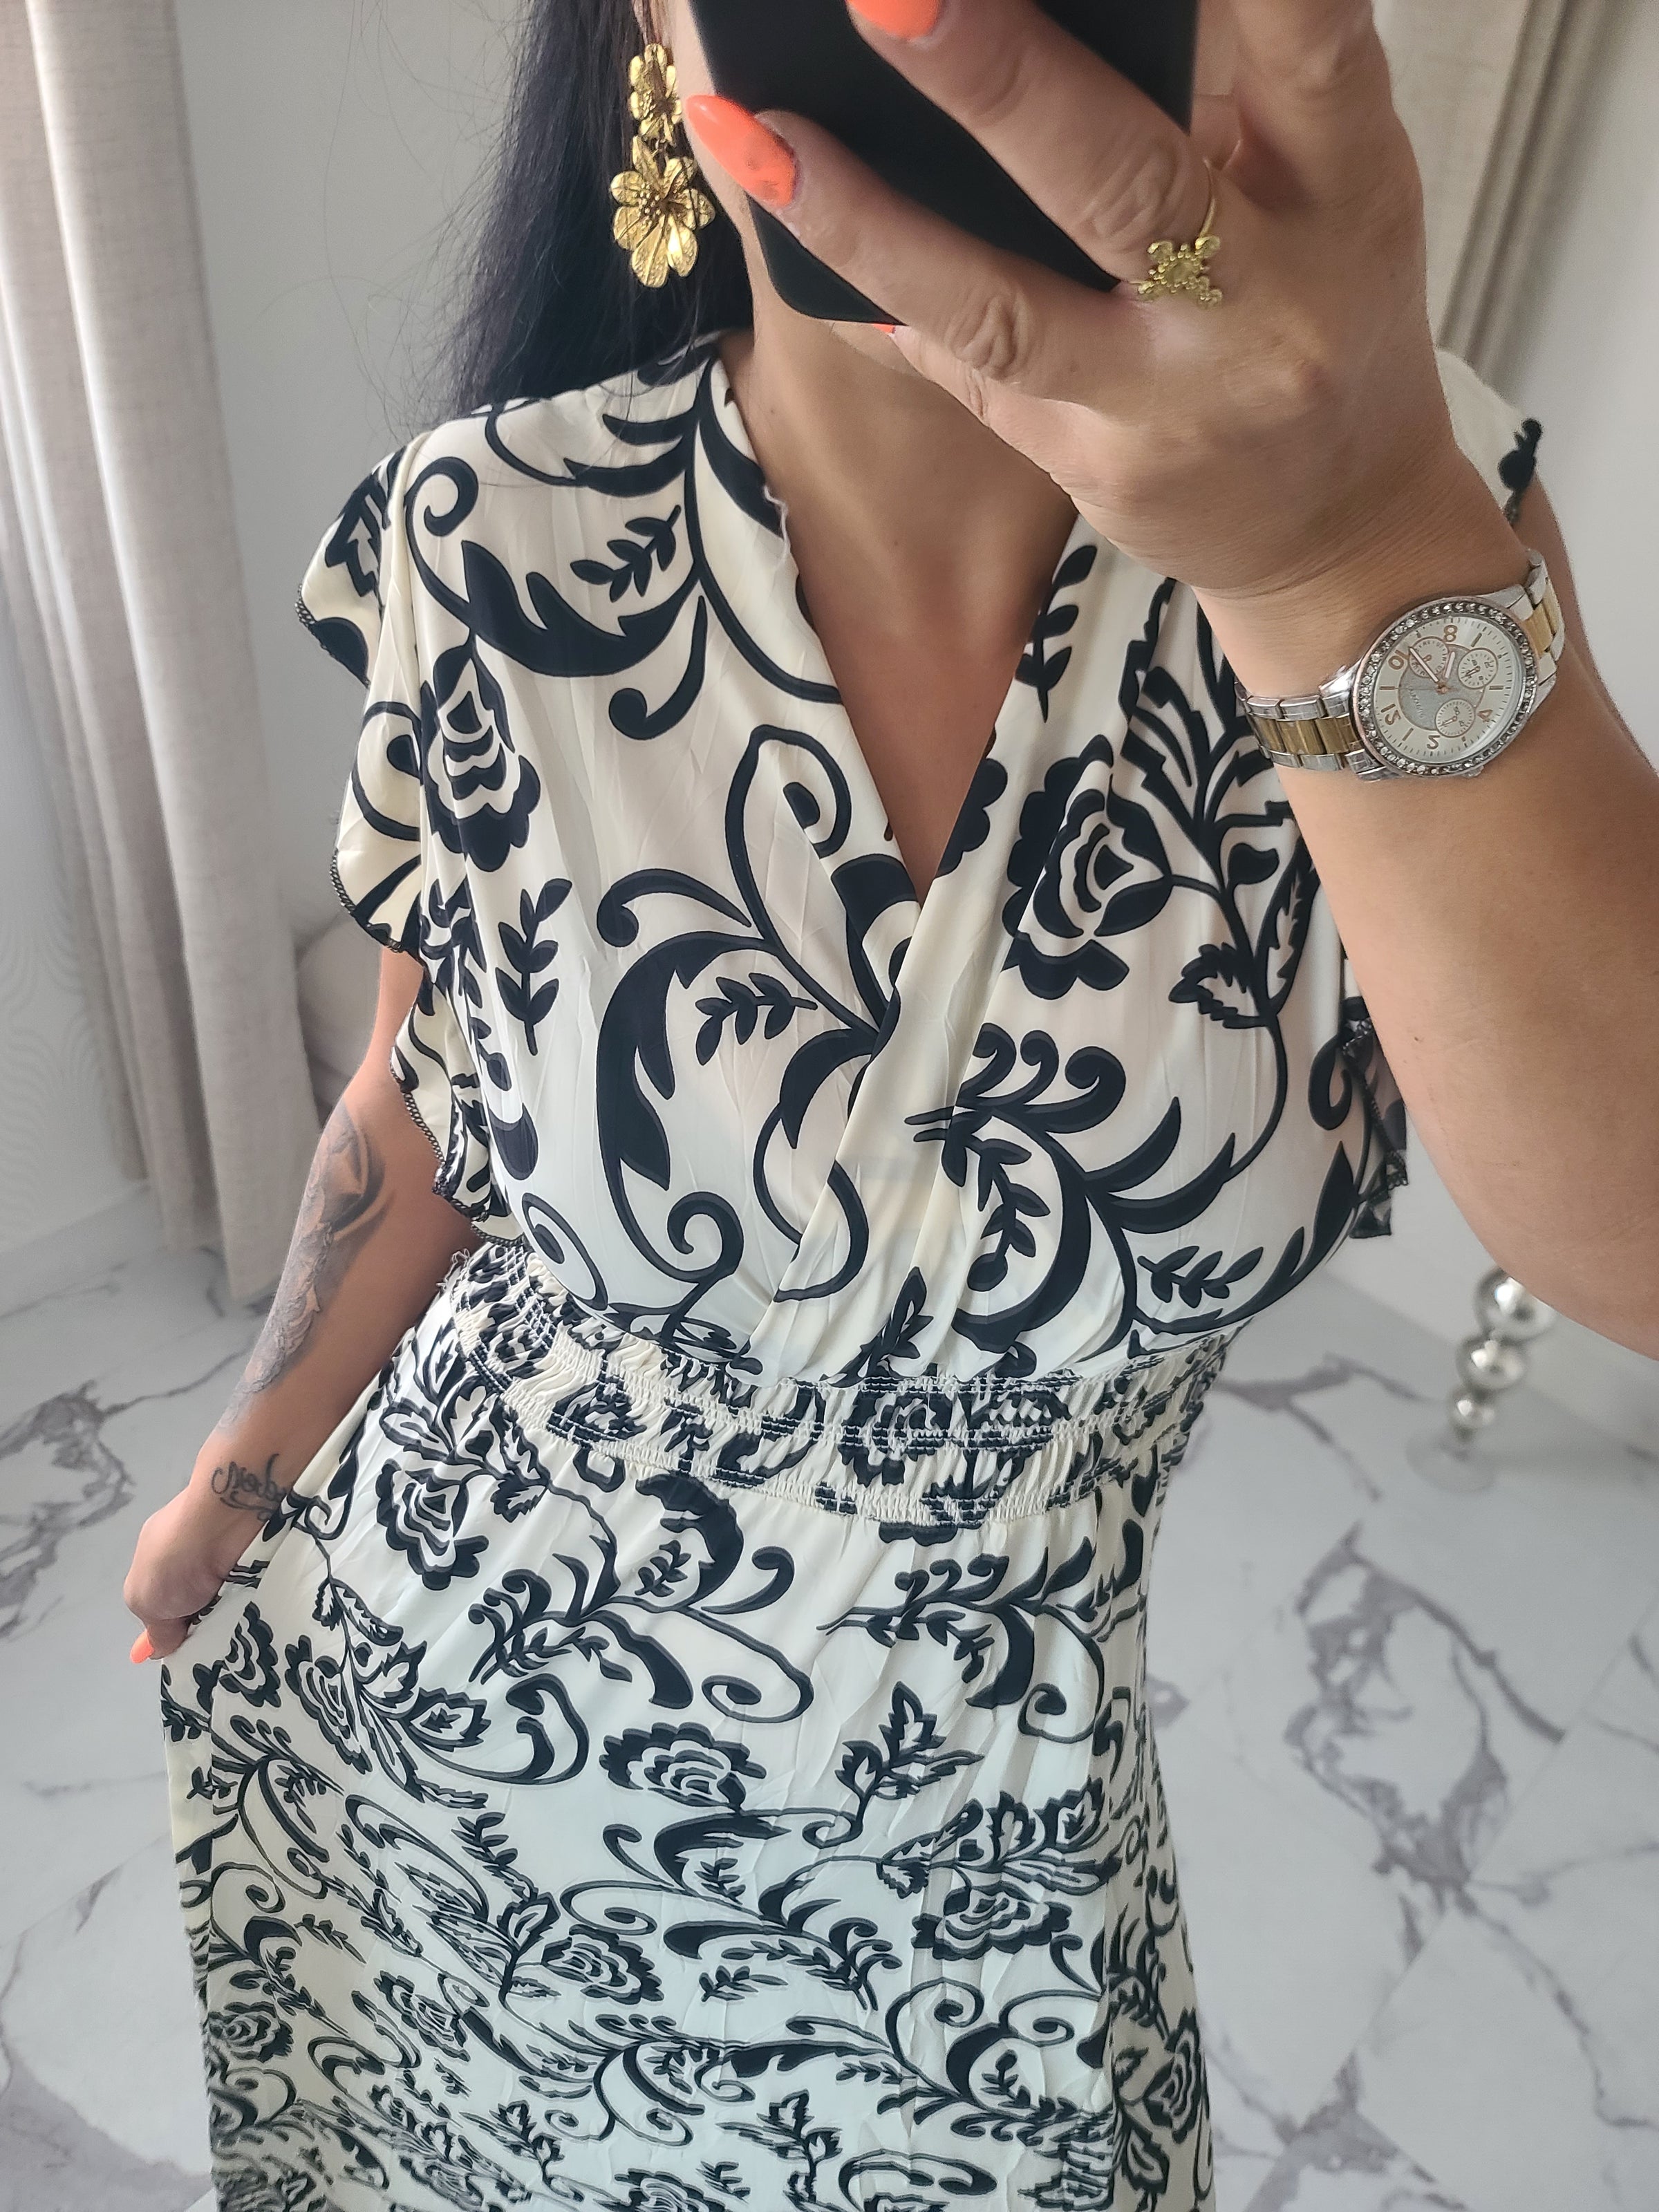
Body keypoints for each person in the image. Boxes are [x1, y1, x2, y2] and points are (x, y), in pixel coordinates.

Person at [124, 0, 1659, 2201]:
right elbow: (425, 1087)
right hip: (453, 1734)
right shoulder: (495, 534)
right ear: (650, 30)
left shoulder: (1419, 521)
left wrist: (1336, 551)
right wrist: (241, 1468)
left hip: (982, 1879)